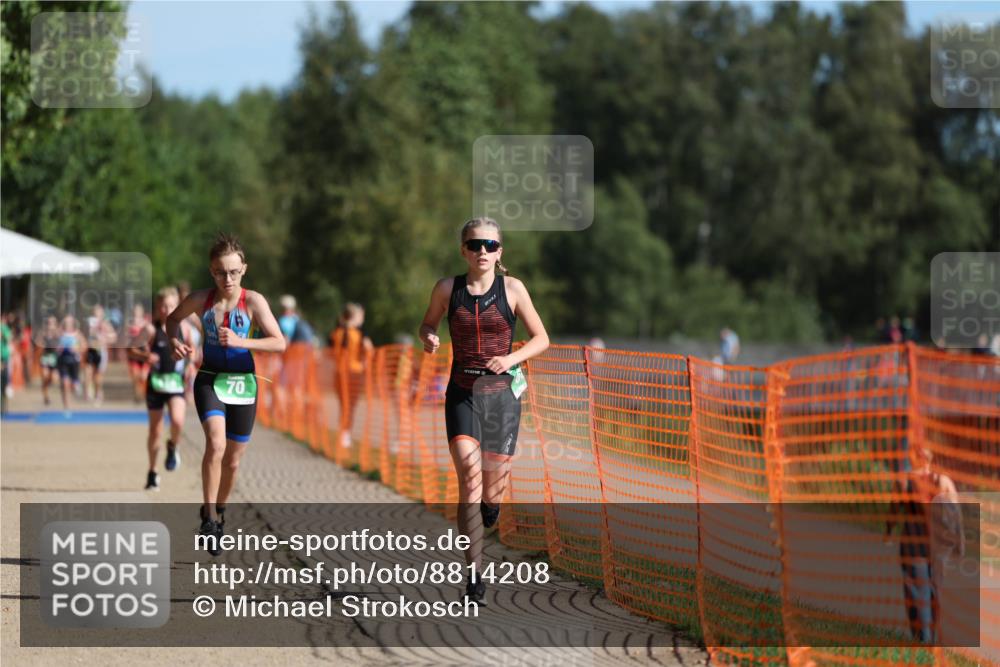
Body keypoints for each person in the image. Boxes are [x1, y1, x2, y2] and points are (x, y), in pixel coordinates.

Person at [418, 217, 549, 606]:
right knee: (470, 480)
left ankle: (493, 505)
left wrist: (511, 358)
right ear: (463, 250)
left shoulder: (513, 289)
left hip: (502, 396)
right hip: (463, 394)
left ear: (500, 252)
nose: (483, 252)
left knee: (491, 490)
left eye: (490, 245)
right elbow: (428, 323)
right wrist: (428, 336)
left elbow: (542, 338)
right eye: (475, 245)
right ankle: (474, 573)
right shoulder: (447, 288)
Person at [166, 233, 286, 551]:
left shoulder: (254, 301)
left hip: (244, 382)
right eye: (220, 272)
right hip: (209, 378)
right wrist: (174, 341)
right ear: (211, 271)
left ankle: (219, 511)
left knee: (233, 461)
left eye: (233, 271)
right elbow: (172, 319)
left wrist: (241, 341)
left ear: (243, 269)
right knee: (216, 445)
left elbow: (279, 342)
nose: (227, 278)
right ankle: (207, 519)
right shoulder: (201, 300)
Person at [885, 447, 963, 644]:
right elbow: (955, 512)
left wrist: (888, 531)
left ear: (913, 456)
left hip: (913, 544)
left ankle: (923, 639)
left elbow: (894, 509)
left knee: (916, 590)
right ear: (930, 458)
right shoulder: (943, 481)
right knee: (935, 589)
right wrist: (959, 541)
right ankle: (932, 639)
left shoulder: (904, 480)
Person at [131, 287, 193, 491]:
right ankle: (152, 472)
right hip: (156, 384)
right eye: (163, 306)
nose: (167, 310)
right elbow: (132, 349)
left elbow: (192, 352)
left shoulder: (184, 329)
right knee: (155, 431)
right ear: (158, 308)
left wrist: (190, 366)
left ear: (178, 307)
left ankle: (173, 445)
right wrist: (145, 356)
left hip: (176, 383)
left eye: (172, 306)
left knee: (177, 420)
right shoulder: (151, 329)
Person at [330, 303, 373, 448]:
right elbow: (369, 350)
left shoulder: (336, 332)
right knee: (350, 406)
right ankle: (345, 434)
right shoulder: (358, 334)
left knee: (344, 405)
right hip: (354, 373)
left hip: (338, 373)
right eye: (361, 316)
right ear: (355, 317)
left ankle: (343, 433)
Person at [84, 304, 117, 404]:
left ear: (102, 314)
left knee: (97, 376)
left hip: (101, 352)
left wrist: (104, 339)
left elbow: (114, 338)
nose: (96, 314)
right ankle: (88, 392)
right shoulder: (89, 323)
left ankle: (99, 392)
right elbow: (84, 336)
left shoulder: (106, 324)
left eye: (98, 312)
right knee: (88, 372)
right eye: (94, 312)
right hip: (91, 350)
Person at [55, 315, 87, 414]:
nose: (68, 324)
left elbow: (84, 346)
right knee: (64, 384)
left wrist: (77, 349)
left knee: (73, 385)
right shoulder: (60, 333)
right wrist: (58, 349)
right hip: (62, 361)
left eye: (70, 322)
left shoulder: (77, 334)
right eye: (66, 322)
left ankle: (77, 383)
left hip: (74, 362)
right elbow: (54, 345)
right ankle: (66, 407)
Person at [126, 303, 150, 402]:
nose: (136, 312)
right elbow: (126, 338)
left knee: (143, 376)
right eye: (135, 311)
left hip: (144, 351)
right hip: (133, 352)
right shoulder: (129, 323)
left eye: (138, 311)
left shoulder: (146, 323)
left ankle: (144, 394)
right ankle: (137, 395)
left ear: (142, 312)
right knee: (135, 375)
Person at [39, 316, 62, 406]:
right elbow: (39, 343)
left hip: (55, 358)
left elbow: (61, 343)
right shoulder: (43, 332)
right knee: (45, 376)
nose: (51, 324)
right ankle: (46, 396)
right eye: (49, 322)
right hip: (46, 357)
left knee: (53, 379)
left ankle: (46, 387)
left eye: (53, 322)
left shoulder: (58, 332)